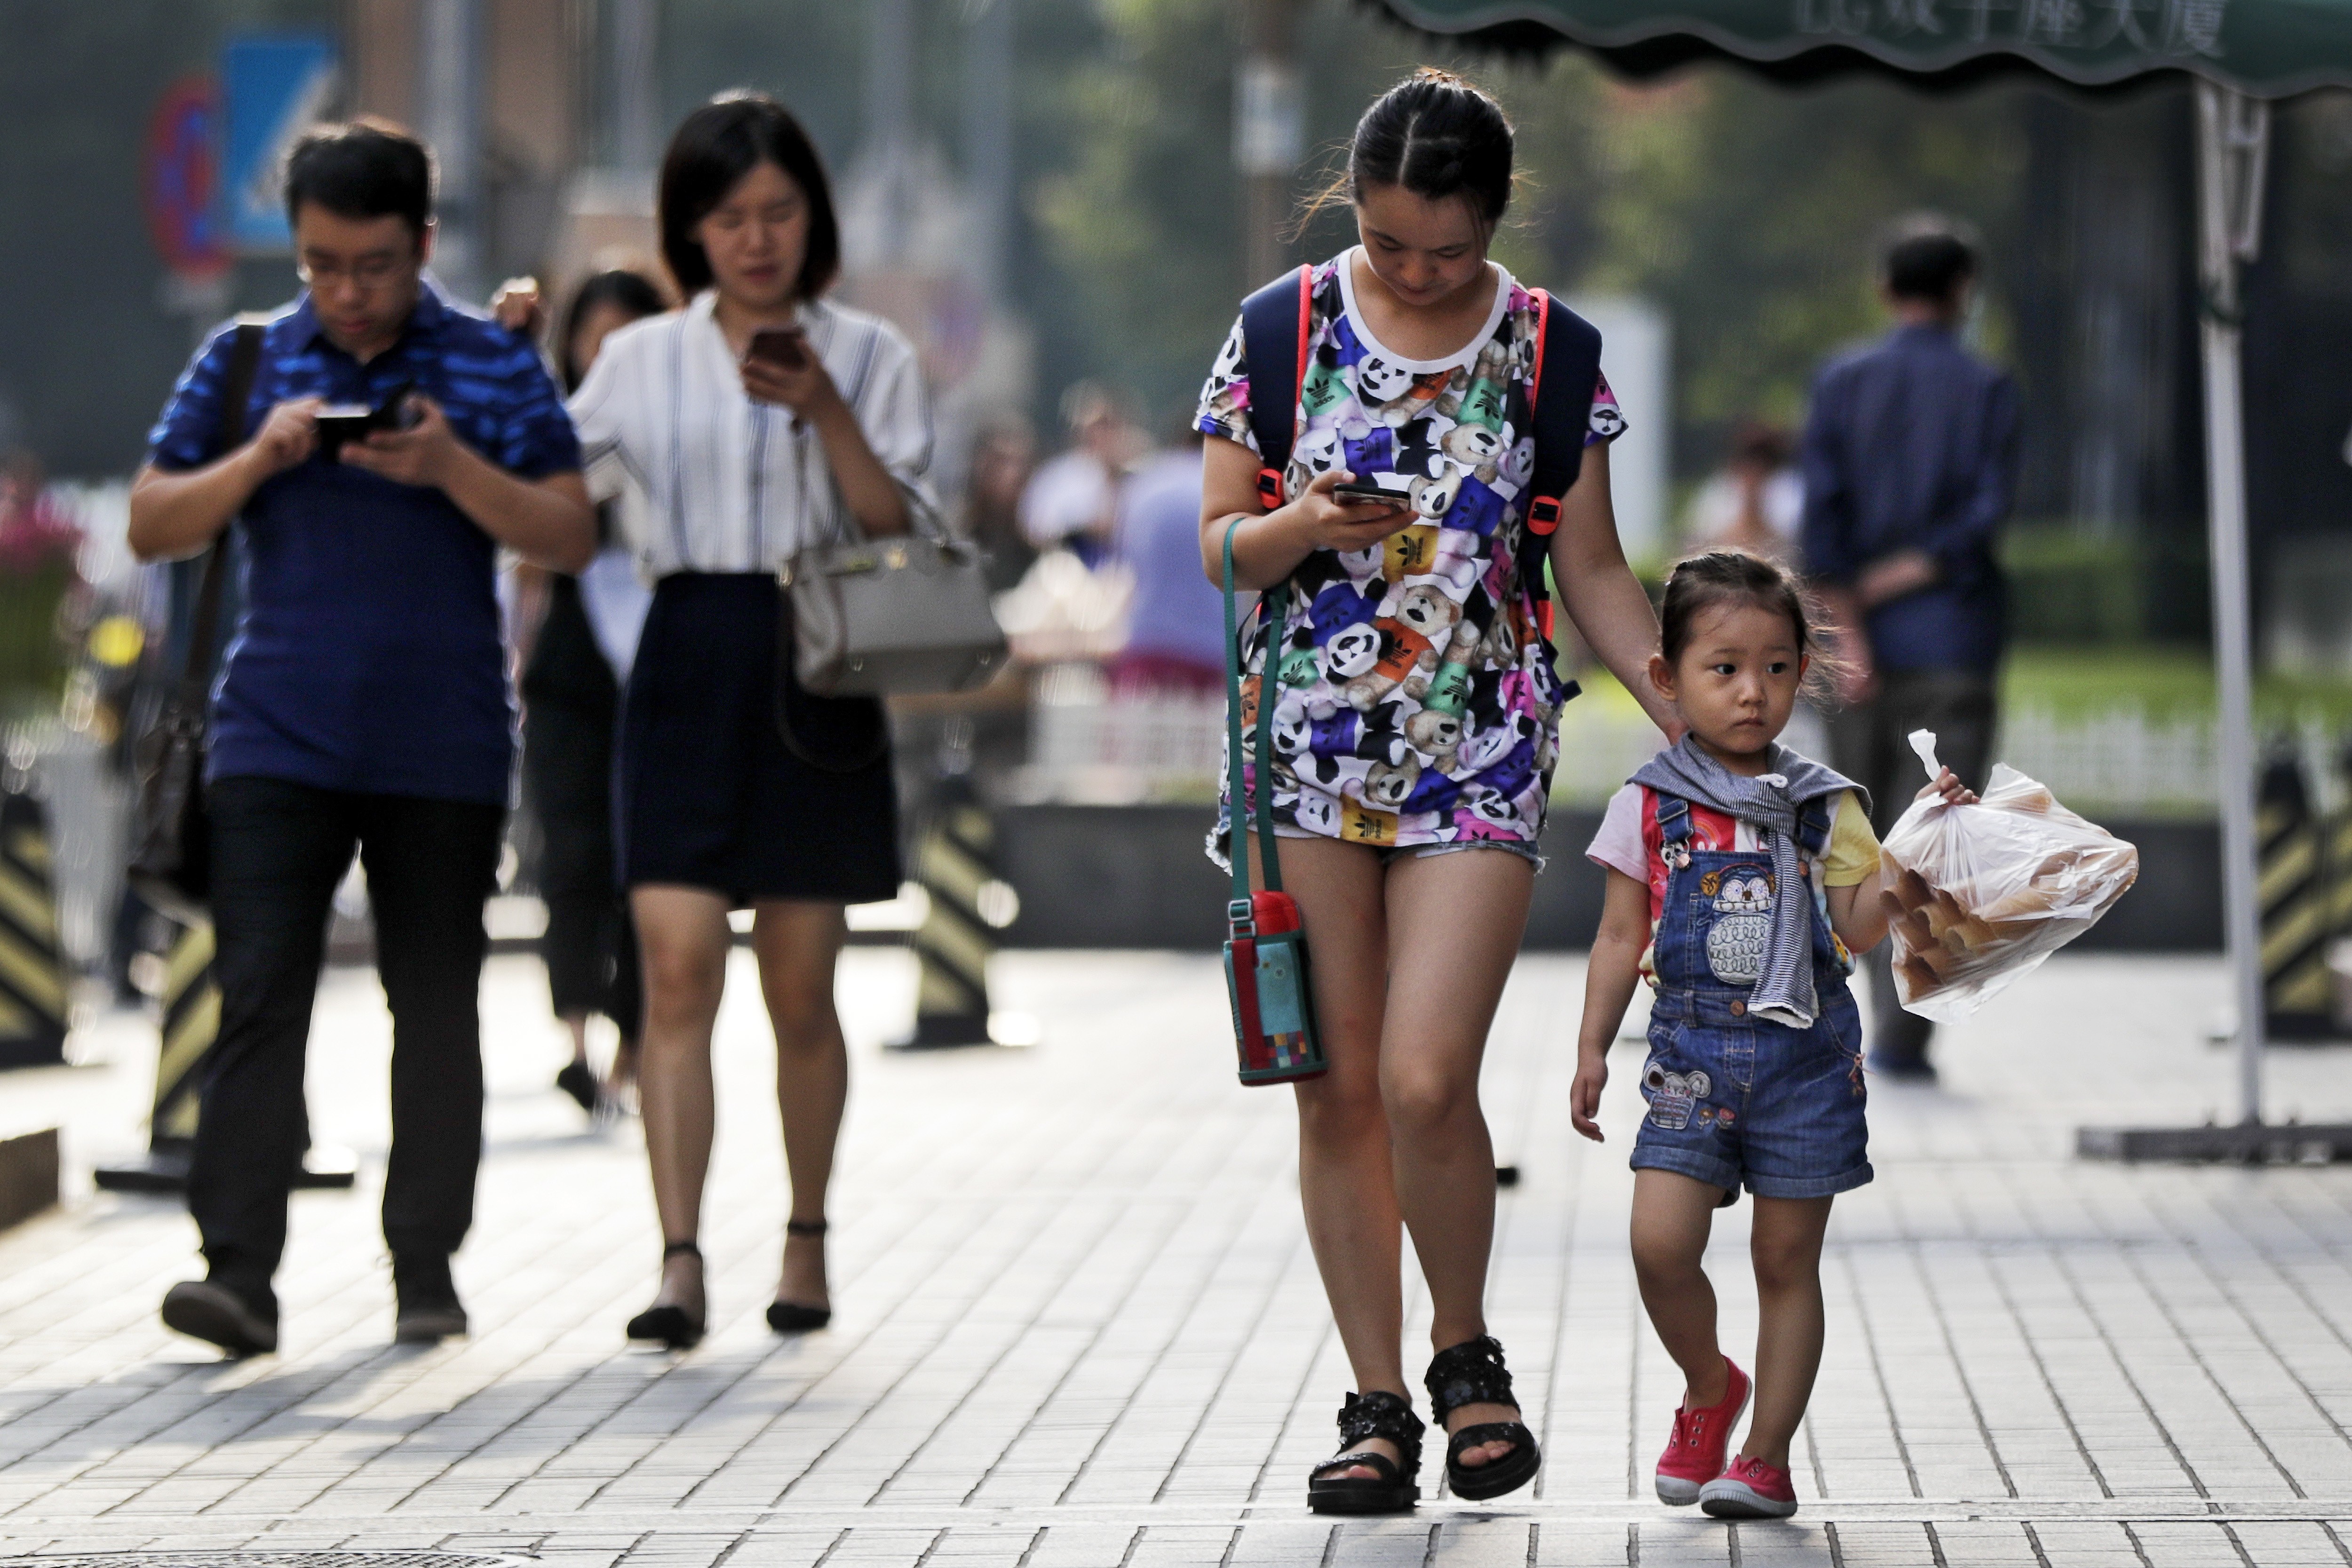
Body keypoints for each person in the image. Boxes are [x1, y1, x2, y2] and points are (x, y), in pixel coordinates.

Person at [1195, 68, 1680, 1513]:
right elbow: (1219, 544)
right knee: (1335, 1089)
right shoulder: (1280, 329)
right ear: (1354, 205)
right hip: (1304, 752)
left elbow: (1584, 565)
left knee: (1423, 1075)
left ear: (1493, 221)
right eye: (1392, 244)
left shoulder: (1546, 348)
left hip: (1480, 741)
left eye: (1445, 250)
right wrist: (1295, 523)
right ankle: (1377, 1402)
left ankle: (1466, 1351)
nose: (1415, 273)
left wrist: (1689, 709)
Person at [128, 119, 594, 1356]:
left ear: (423, 245)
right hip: (273, 733)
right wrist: (259, 459)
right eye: (322, 263)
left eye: (374, 264)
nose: (346, 291)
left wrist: (447, 467)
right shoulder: (242, 362)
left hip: (443, 742)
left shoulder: (490, 366)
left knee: (434, 1004)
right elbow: (149, 521)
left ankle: (425, 1266)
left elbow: (569, 532)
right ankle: (238, 1271)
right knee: (260, 993)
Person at [568, 93, 933, 1349]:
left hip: (818, 655)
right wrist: (505, 369)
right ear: (690, 227)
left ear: (812, 217)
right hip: (685, 652)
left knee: (802, 983)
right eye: (728, 216)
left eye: (778, 211)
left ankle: (806, 1235)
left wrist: (825, 404)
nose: (756, 238)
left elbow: (901, 526)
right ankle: (678, 1258)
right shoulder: (641, 355)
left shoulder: (871, 351)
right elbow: (558, 478)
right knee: (673, 969)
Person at [1573, 551, 1975, 1520]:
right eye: (1723, 668)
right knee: (1660, 1245)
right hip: (1688, 1057)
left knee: (1784, 1262)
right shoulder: (1650, 798)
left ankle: (1764, 1455)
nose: (1752, 692)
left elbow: (1858, 925)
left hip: (1805, 1061)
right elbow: (1621, 933)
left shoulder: (1824, 801)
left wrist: (1916, 844)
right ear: (1666, 677)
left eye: (1776, 667)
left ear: (1803, 670)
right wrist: (1591, 1047)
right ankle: (1712, 1386)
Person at [1800, 219, 2019, 1081]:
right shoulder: (1990, 386)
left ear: (1887, 289)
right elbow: (1981, 521)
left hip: (1855, 655)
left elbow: (1821, 525)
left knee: (1846, 836)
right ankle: (1904, 1035)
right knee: (1933, 840)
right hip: (1955, 644)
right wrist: (1904, 578)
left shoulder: (1842, 381)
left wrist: (1851, 624)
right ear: (1964, 290)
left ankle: (1825, 1017)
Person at [501, 269, 667, 1117]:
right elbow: (524, 554)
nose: (604, 356)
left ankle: (637, 1040)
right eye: (590, 339)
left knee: (648, 860)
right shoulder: (552, 431)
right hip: (570, 665)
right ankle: (576, 1038)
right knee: (571, 855)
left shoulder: (678, 428)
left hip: (662, 665)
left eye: (624, 338)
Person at [1108, 431, 1223, 696]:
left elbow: (1124, 566)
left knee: (1140, 734)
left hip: (1146, 643)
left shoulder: (1143, 485)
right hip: (1209, 651)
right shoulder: (1224, 489)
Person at [1020, 382, 1140, 568]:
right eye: (1096, 427)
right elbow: (1036, 529)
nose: (1102, 435)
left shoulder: (1140, 475)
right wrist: (1085, 528)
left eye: (1108, 426)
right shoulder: (1057, 477)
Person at [1683, 422, 1799, 564]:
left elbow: (1791, 548)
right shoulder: (1718, 490)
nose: (1754, 469)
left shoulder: (1789, 488)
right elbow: (1701, 544)